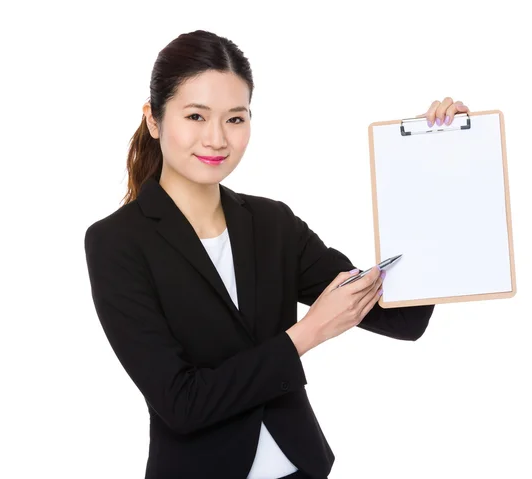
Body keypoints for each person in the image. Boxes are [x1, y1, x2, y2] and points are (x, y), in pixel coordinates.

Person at [84, 29, 470, 479]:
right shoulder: (116, 243)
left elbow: (401, 319)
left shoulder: (271, 224)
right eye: (195, 115)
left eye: (235, 118)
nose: (216, 139)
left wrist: (436, 171)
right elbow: (182, 403)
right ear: (154, 119)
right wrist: (309, 332)